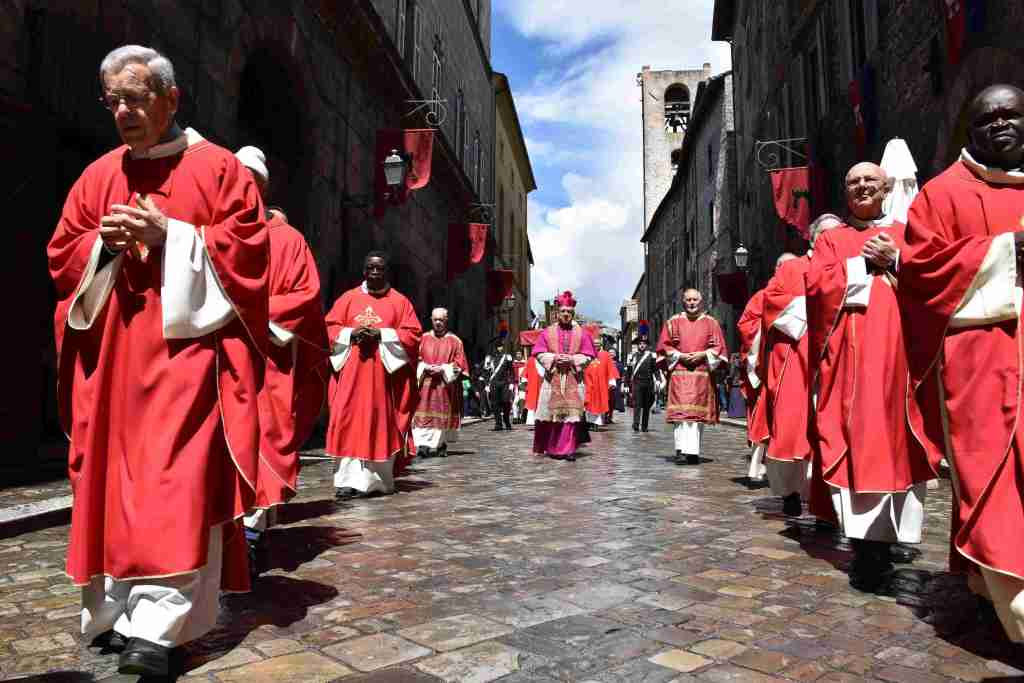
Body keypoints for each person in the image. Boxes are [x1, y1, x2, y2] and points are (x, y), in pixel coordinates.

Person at [48, 45, 268, 676]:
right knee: (111, 485)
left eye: (136, 98)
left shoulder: (219, 169)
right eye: (112, 100)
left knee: (174, 484)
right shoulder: (98, 175)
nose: (123, 111)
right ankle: (116, 612)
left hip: (186, 360)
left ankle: (161, 627)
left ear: (171, 99)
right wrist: (104, 244)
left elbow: (248, 253)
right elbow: (62, 253)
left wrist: (170, 235)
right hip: (113, 361)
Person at [899, 84, 1024, 641]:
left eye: (1011, 115)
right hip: (980, 364)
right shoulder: (942, 194)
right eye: (986, 119)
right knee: (992, 480)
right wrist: (1006, 252)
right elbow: (921, 274)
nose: (1000, 125)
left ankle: (984, 587)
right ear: (969, 131)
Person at [805, 162, 935, 592]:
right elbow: (817, 288)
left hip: (902, 360)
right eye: (854, 182)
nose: (862, 186)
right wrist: (860, 263)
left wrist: (895, 259)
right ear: (846, 191)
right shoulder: (832, 239)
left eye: (870, 181)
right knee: (862, 441)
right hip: (854, 362)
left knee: (902, 442)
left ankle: (894, 537)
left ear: (887, 188)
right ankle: (866, 549)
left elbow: (933, 283)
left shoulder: (905, 232)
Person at [234, 146, 328, 565]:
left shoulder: (288, 241)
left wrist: (247, 314)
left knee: (262, 440)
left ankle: (251, 534)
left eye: (249, 182)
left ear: (263, 188)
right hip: (213, 358)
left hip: (266, 362)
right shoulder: (206, 228)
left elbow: (303, 294)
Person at [325, 252, 421, 499]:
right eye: (370, 268)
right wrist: (350, 334)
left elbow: (413, 335)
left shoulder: (400, 302)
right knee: (347, 421)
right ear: (364, 271)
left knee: (379, 422)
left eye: (380, 268)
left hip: (383, 380)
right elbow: (329, 327)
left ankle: (374, 482)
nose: (375, 272)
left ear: (387, 272)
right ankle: (346, 482)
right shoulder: (348, 298)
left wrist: (382, 335)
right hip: (351, 375)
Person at [762, 231, 836, 515]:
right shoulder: (791, 269)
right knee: (795, 425)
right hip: (798, 357)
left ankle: (829, 501)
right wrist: (815, 307)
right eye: (824, 234)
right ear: (812, 238)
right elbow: (772, 301)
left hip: (839, 356)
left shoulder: (849, 263)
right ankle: (792, 490)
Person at [656, 289, 728, 465]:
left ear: (700, 301)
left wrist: (703, 354)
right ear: (683, 301)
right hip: (680, 374)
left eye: (695, 299)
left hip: (701, 376)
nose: (692, 303)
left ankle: (693, 452)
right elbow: (663, 347)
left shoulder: (711, 323)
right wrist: (680, 356)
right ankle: (681, 450)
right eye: (688, 300)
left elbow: (719, 348)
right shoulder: (673, 322)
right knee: (681, 414)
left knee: (696, 416)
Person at [532, 291, 597, 460]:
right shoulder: (547, 332)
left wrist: (573, 359)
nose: (566, 314)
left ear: (573, 313)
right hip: (552, 378)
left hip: (573, 379)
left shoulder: (582, 333)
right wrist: (554, 358)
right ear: (557, 313)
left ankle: (568, 449)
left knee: (571, 416)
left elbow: (589, 355)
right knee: (553, 416)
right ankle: (554, 448)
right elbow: (539, 353)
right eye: (563, 311)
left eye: (569, 311)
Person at [411, 308, 468, 458]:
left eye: (441, 320)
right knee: (423, 416)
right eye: (435, 319)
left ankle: (441, 444)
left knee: (442, 415)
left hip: (444, 386)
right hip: (425, 385)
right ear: (431, 320)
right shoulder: (422, 339)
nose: (438, 323)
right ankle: (423, 445)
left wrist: (443, 369)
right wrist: (424, 367)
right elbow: (414, 358)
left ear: (446, 321)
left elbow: (459, 364)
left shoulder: (455, 341)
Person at [628, 335, 661, 432]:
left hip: (648, 383)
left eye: (644, 344)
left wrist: (658, 379)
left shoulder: (651, 356)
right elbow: (629, 371)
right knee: (637, 405)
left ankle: (644, 426)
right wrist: (625, 384)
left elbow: (655, 369)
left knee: (647, 405)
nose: (642, 345)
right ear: (638, 345)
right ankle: (636, 424)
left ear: (646, 345)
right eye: (640, 344)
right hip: (637, 383)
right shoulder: (633, 356)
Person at [584, 338, 617, 429]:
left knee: (599, 403)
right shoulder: (588, 354)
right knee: (589, 403)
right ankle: (590, 423)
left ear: (601, 344)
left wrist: (612, 381)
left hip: (601, 384)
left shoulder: (606, 355)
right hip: (589, 383)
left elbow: (610, 368)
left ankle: (597, 424)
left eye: (598, 344)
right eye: (594, 344)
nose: (596, 345)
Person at [484, 340, 514, 430]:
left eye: (501, 346)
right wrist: (486, 384)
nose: (500, 348)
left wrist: (511, 382)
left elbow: (511, 371)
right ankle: (498, 423)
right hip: (493, 383)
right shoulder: (489, 358)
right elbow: (486, 372)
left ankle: (506, 420)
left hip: (504, 383)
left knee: (506, 402)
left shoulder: (507, 357)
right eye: (498, 346)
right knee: (495, 404)